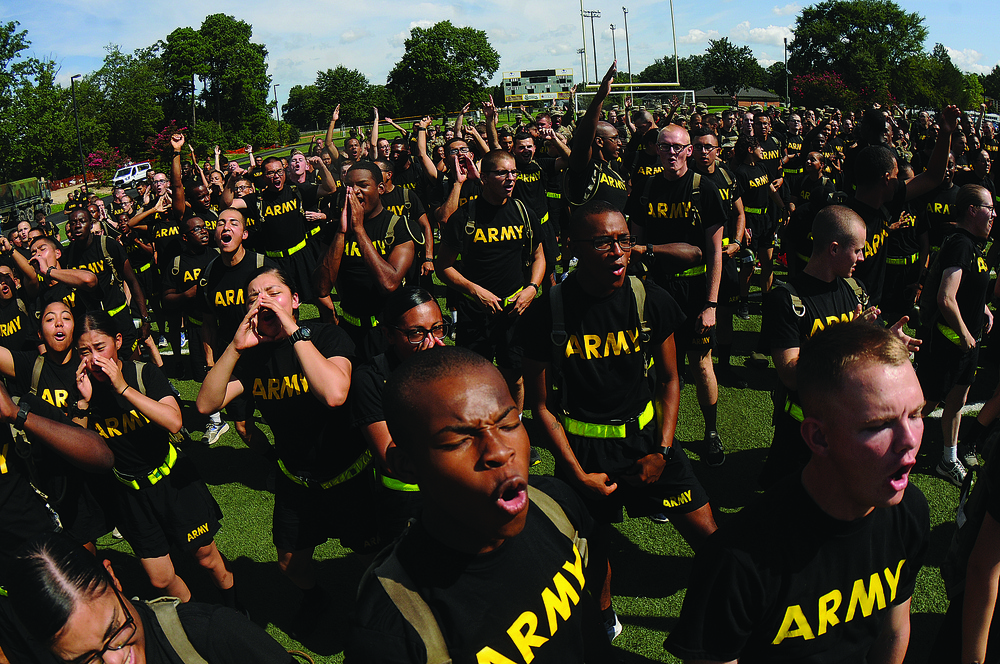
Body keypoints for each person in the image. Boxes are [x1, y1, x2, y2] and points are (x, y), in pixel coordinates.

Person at [666, 322, 929, 664]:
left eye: (917, 414)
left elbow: (893, 631)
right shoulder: (736, 561)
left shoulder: (909, 512)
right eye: (879, 425)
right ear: (818, 438)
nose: (910, 441)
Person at [521, 199, 718, 637]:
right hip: (584, 456)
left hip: (651, 443)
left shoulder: (650, 298)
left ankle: (716, 614)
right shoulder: (547, 312)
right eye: (602, 242)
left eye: (623, 240)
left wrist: (664, 451)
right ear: (572, 247)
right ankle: (604, 615)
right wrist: (576, 473)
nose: (617, 252)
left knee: (713, 543)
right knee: (594, 552)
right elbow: (541, 406)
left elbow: (670, 380)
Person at [347, 346, 615, 663]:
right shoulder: (392, 627)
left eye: (509, 423)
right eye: (460, 440)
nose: (500, 451)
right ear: (406, 466)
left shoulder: (555, 502)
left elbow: (595, 563)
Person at [196, 267, 378, 637]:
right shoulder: (252, 358)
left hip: (350, 476)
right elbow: (205, 404)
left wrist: (294, 331)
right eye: (253, 297)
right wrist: (233, 348)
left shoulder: (327, 335)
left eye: (273, 292)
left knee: (370, 558)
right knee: (290, 565)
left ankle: (383, 606)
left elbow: (334, 393)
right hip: (297, 481)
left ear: (295, 300)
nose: (262, 301)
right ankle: (316, 598)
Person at [74, 311, 235, 607]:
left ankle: (236, 607)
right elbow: (80, 448)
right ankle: (195, 616)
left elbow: (174, 420)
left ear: (118, 341)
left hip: (174, 482)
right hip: (131, 495)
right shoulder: (84, 388)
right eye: (85, 351)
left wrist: (122, 388)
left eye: (100, 348)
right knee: (160, 579)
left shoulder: (143, 373)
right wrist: (83, 404)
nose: (94, 359)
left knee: (207, 559)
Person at [6, 532, 294, 664]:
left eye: (116, 631)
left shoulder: (211, 634)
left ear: (114, 579)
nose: (116, 660)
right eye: (87, 660)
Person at [631, 123, 728, 465]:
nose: (670, 153)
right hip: (655, 291)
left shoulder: (706, 190)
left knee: (701, 364)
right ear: (655, 150)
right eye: (664, 146)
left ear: (689, 151)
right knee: (658, 369)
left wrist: (711, 304)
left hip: (694, 291)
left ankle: (711, 432)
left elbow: (715, 252)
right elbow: (634, 245)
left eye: (677, 147)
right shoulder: (645, 189)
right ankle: (661, 440)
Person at [435, 149, 546, 410]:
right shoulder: (464, 217)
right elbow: (443, 267)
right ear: (483, 177)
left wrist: (531, 288)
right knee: (474, 377)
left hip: (514, 311)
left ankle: (515, 428)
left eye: (513, 172)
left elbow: (539, 257)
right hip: (475, 313)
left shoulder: (523, 212)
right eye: (502, 173)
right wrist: (475, 292)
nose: (510, 178)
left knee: (515, 377)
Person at [350, 287, 447, 539]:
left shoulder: (453, 366)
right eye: (416, 333)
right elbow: (391, 459)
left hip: (456, 487)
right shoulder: (370, 379)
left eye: (437, 328)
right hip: (404, 499)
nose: (431, 341)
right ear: (389, 335)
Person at [918, 184, 995, 486]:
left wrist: (984, 309)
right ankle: (880, 448)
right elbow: (945, 298)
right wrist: (963, 334)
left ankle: (948, 459)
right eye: (989, 209)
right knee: (927, 403)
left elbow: (968, 290)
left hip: (967, 345)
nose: (994, 215)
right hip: (950, 344)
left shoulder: (973, 246)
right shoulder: (961, 244)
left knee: (957, 401)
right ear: (972, 210)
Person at [315, 161, 416, 360]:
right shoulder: (334, 231)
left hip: (388, 332)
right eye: (349, 187)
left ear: (380, 188)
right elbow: (321, 287)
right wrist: (342, 231)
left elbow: (389, 284)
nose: (355, 192)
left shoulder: (399, 227)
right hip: (348, 329)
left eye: (362, 185)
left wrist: (359, 230)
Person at [199, 208, 273, 452]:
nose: (226, 227)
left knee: (281, 415)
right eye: (220, 223)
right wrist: (211, 364)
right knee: (242, 426)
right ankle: (272, 461)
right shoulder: (209, 274)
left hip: (268, 357)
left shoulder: (263, 266)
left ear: (244, 233)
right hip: (234, 360)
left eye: (233, 223)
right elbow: (208, 323)